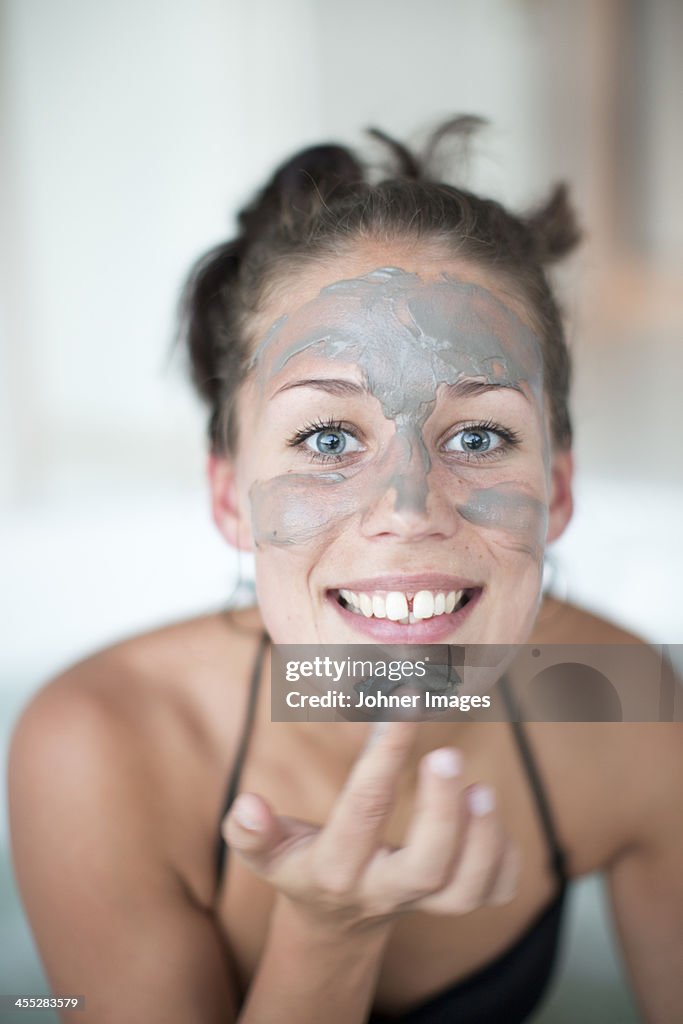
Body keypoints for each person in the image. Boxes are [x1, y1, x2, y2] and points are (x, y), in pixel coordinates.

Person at [8, 118, 683, 1024]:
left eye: (478, 435)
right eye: (328, 438)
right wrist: (328, 936)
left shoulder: (626, 709)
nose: (407, 511)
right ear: (227, 499)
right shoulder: (104, 745)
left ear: (556, 490)